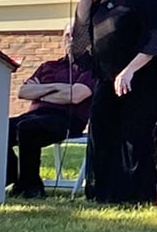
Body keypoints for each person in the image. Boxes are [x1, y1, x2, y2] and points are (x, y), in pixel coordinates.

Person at [74, 0, 157, 204]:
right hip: (107, 77)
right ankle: (104, 193)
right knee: (102, 130)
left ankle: (134, 195)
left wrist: (129, 70)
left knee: (133, 135)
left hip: (138, 78)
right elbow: (84, 20)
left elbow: (154, 39)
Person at [6, 25, 94, 200]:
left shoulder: (90, 68)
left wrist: (41, 92)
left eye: (75, 35)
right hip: (33, 115)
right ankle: (11, 173)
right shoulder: (49, 66)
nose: (70, 39)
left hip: (66, 119)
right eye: (67, 35)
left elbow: (76, 95)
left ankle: (31, 187)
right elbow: (23, 92)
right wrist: (57, 87)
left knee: (27, 128)